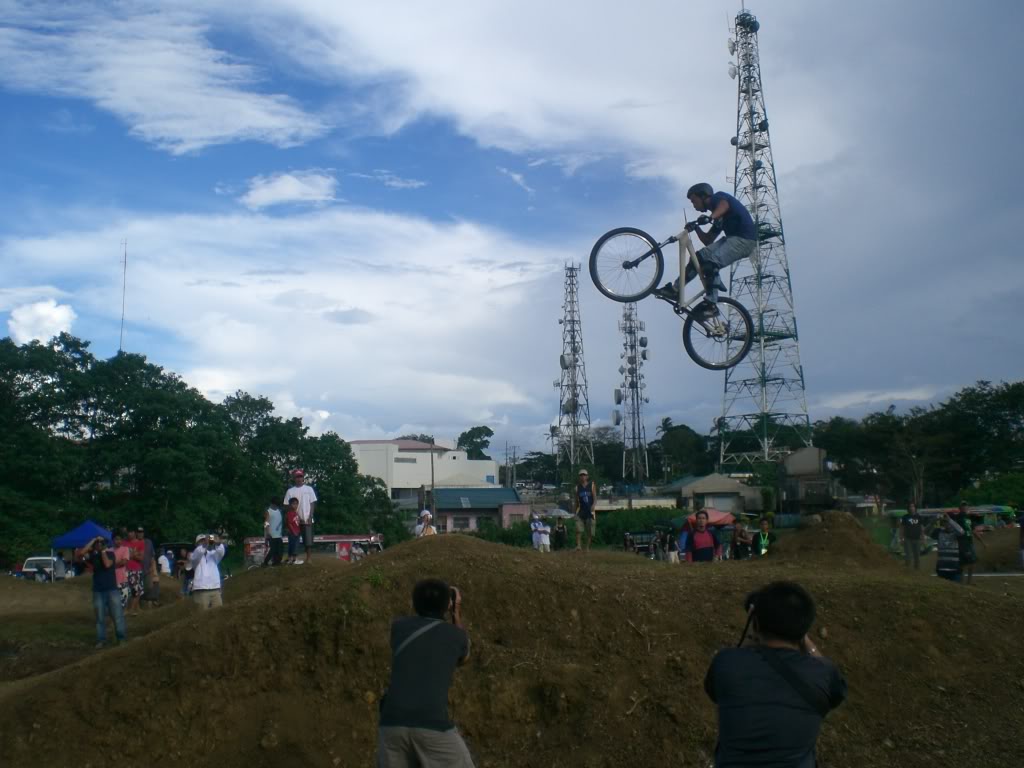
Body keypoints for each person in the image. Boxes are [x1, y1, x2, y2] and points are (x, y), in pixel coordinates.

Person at [705, 581, 847, 768]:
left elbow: (715, 692)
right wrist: (805, 639)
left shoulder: (725, 663)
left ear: (754, 621)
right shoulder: (824, 673)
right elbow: (835, 692)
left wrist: (753, 631)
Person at [377, 579, 474, 767]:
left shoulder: (398, 628)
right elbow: (464, 658)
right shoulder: (455, 635)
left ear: (413, 603)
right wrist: (456, 613)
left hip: (391, 724)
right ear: (448, 604)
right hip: (431, 723)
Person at [654, 182, 757, 316]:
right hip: (731, 239)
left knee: (710, 263)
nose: (693, 204)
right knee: (698, 258)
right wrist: (696, 227)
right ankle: (675, 290)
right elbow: (708, 240)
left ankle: (711, 305)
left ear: (703, 196)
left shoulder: (718, 198)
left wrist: (710, 217)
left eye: (694, 200)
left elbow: (724, 205)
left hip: (744, 240)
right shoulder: (718, 216)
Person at [76, 536, 127, 648]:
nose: (99, 545)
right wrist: (93, 540)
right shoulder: (93, 556)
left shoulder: (110, 554)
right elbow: (80, 554)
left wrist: (102, 550)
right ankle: (101, 639)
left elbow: (107, 564)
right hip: (98, 590)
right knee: (99, 617)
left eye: (101, 543)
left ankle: (121, 638)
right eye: (97, 544)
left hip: (111, 589)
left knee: (117, 615)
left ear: (104, 545)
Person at [284, 469, 318, 564]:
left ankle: (309, 558)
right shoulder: (290, 491)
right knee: (293, 539)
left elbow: (312, 503)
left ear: (303, 478)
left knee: (308, 540)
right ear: (294, 478)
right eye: (297, 477)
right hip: (294, 520)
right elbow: (286, 505)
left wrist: (310, 515)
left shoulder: (309, 489)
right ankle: (293, 558)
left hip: (306, 518)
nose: (299, 479)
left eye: (300, 477)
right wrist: (291, 517)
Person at [952, 501, 986, 585]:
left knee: (971, 562)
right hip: (963, 542)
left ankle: (967, 582)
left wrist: (982, 542)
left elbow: (973, 531)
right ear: (960, 508)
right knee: (965, 563)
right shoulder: (958, 517)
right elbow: (955, 529)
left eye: (966, 506)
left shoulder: (968, 518)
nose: (965, 507)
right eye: (963, 506)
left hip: (969, 542)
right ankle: (961, 581)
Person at [190, 534, 226, 609]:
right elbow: (199, 552)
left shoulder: (213, 554)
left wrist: (218, 543)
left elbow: (221, 552)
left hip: (215, 588)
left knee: (219, 613)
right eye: (201, 541)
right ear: (196, 544)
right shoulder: (193, 555)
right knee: (202, 615)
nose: (204, 542)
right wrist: (205, 544)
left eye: (205, 540)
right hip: (201, 589)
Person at [929, 512, 965, 583]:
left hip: (955, 569)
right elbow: (926, 532)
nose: (947, 524)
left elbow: (962, 532)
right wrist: (933, 522)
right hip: (941, 569)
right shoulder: (939, 532)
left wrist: (950, 520)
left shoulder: (956, 533)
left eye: (948, 522)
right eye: (945, 522)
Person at [573, 470, 597, 551]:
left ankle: (587, 547)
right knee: (578, 529)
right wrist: (574, 512)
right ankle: (578, 546)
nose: (583, 476)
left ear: (587, 476)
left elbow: (595, 498)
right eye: (581, 475)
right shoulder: (577, 488)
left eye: (584, 475)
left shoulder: (592, 485)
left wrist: (593, 505)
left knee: (590, 531)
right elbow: (576, 501)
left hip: (590, 511)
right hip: (580, 511)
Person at [124, 528, 145, 616]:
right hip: (125, 569)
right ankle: (125, 609)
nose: (130, 534)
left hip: (136, 569)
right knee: (125, 590)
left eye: (131, 531)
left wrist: (131, 555)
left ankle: (132, 609)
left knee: (137, 590)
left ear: (134, 533)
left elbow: (141, 557)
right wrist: (133, 554)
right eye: (129, 532)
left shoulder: (140, 543)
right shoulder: (124, 543)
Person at [900, 503, 924, 570]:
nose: (911, 508)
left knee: (917, 556)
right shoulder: (905, 517)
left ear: (915, 508)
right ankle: (907, 569)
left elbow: (922, 528)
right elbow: (902, 528)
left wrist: (923, 538)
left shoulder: (919, 517)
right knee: (908, 555)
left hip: (917, 539)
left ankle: (917, 570)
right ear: (908, 508)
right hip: (908, 539)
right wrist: (901, 538)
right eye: (910, 506)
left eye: (913, 506)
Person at [263, 498, 284, 567]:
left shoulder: (279, 511)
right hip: (272, 534)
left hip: (279, 535)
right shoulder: (268, 511)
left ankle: (276, 562)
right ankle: (265, 562)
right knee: (273, 550)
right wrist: (267, 533)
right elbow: (266, 523)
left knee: (279, 550)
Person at [113, 532, 131, 608]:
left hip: (122, 581)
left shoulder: (125, 549)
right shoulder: (108, 550)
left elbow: (123, 562)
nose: (119, 541)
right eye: (116, 539)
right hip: (111, 581)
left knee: (122, 604)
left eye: (120, 539)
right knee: (113, 604)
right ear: (113, 540)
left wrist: (111, 564)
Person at [285, 498, 301, 564]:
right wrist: (294, 531)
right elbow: (289, 523)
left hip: (297, 531)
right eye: (293, 504)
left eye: (296, 504)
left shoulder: (295, 513)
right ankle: (294, 559)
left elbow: (297, 521)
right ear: (290, 505)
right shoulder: (290, 513)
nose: (295, 505)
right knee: (294, 545)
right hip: (293, 532)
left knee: (293, 545)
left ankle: (290, 559)